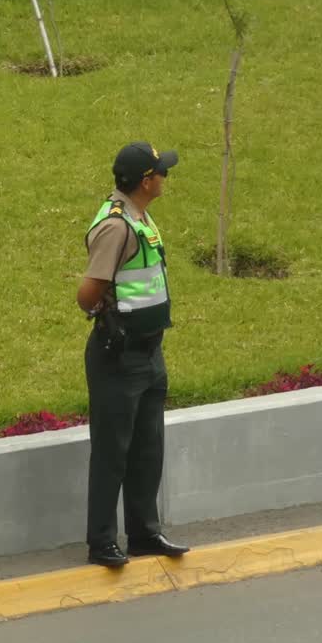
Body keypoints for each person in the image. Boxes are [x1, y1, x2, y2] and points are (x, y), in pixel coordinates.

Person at [76, 142, 191, 568]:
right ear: (146, 181)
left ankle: (144, 533)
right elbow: (87, 292)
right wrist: (109, 320)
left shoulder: (140, 218)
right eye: (161, 172)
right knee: (112, 450)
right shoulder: (116, 226)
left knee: (147, 447)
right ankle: (102, 541)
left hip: (149, 351)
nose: (165, 177)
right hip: (119, 354)